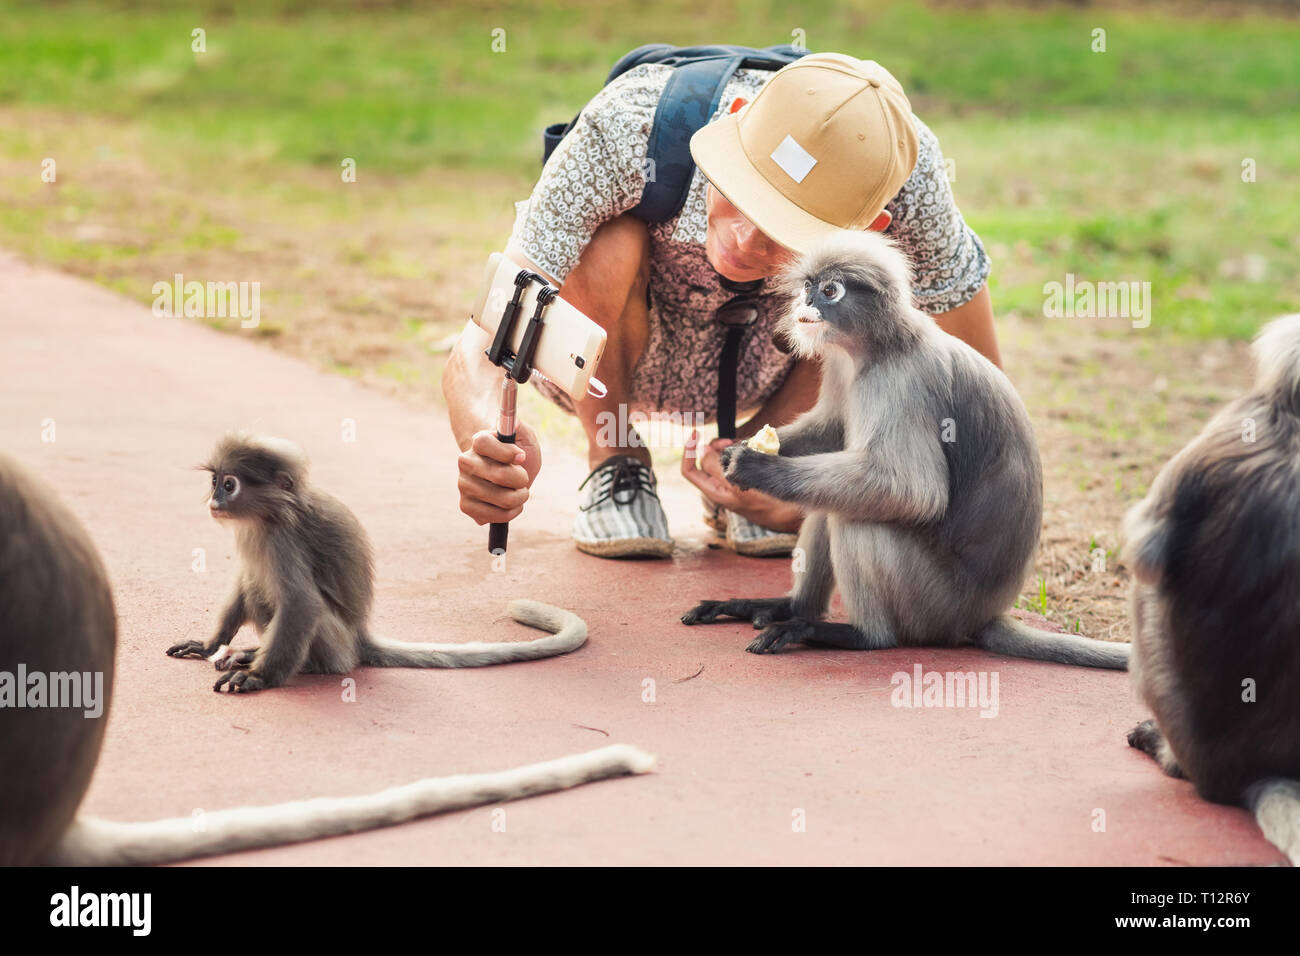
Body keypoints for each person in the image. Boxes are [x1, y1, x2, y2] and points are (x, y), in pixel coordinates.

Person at [444, 52, 998, 559]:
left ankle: (765, 461)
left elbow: (978, 407)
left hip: (777, 364)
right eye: (742, 195)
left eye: (786, 231)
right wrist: (487, 443)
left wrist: (818, 488)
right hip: (603, 364)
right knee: (607, 239)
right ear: (729, 120)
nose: (745, 242)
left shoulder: (909, 185)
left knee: (857, 286)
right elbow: (485, 335)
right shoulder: (627, 126)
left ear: (872, 224)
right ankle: (615, 462)